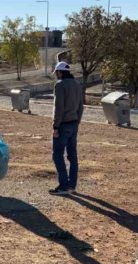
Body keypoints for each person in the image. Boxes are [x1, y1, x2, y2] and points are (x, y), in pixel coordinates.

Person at [50, 61, 84, 195]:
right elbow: (81, 106)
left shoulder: (60, 85)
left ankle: (63, 185)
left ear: (60, 72)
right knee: (72, 155)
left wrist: (55, 126)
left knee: (57, 155)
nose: (56, 75)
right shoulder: (77, 84)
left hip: (63, 124)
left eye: (56, 73)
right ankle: (72, 185)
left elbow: (59, 107)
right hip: (74, 123)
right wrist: (77, 121)